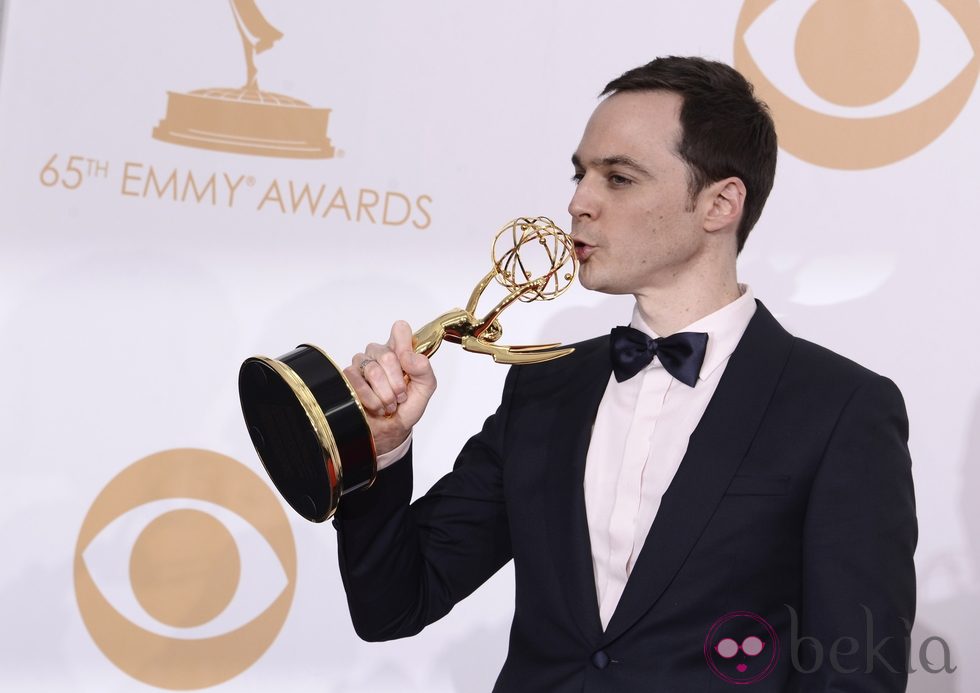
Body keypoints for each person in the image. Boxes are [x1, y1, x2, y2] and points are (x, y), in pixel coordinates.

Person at [333, 56, 917, 692]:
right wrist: (382, 454)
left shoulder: (839, 408)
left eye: (619, 178)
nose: (578, 202)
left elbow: (855, 674)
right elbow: (394, 604)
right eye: (581, 174)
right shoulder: (546, 387)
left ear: (720, 203)